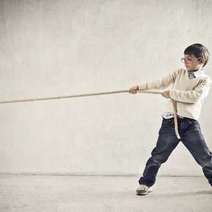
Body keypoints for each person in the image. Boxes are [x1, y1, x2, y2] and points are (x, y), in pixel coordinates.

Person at [129, 43, 212, 195]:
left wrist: (172, 93)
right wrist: (139, 87)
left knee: (205, 157)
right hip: (169, 122)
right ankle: (145, 184)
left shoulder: (204, 80)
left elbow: (194, 97)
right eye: (184, 58)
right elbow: (160, 83)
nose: (185, 61)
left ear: (200, 61)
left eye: (189, 59)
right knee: (158, 155)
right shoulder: (179, 73)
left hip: (189, 125)